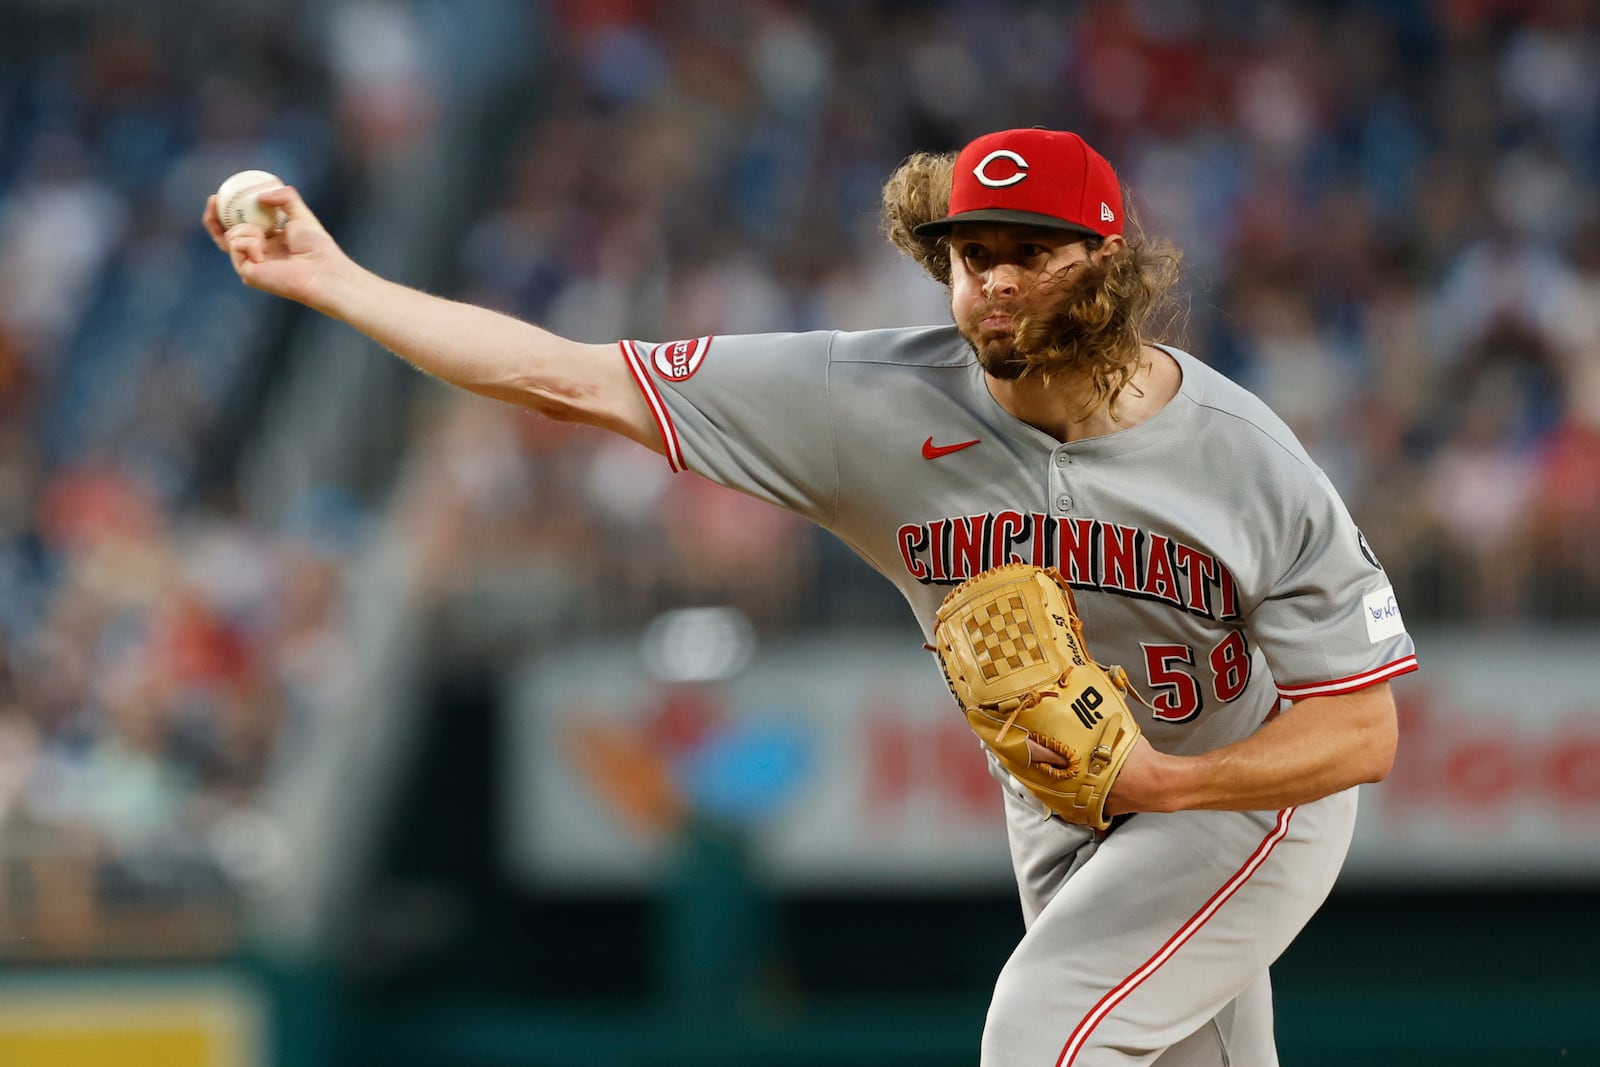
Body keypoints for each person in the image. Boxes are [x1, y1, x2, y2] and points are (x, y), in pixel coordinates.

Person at [206, 127, 1417, 1066]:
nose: (991, 281)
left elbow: (1362, 729)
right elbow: (563, 378)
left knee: (1046, 1027)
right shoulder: (865, 401)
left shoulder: (1244, 455)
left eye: (1027, 254)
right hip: (1063, 802)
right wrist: (335, 281)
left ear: (1104, 266)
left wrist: (1171, 783)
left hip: (1248, 784)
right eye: (969, 253)